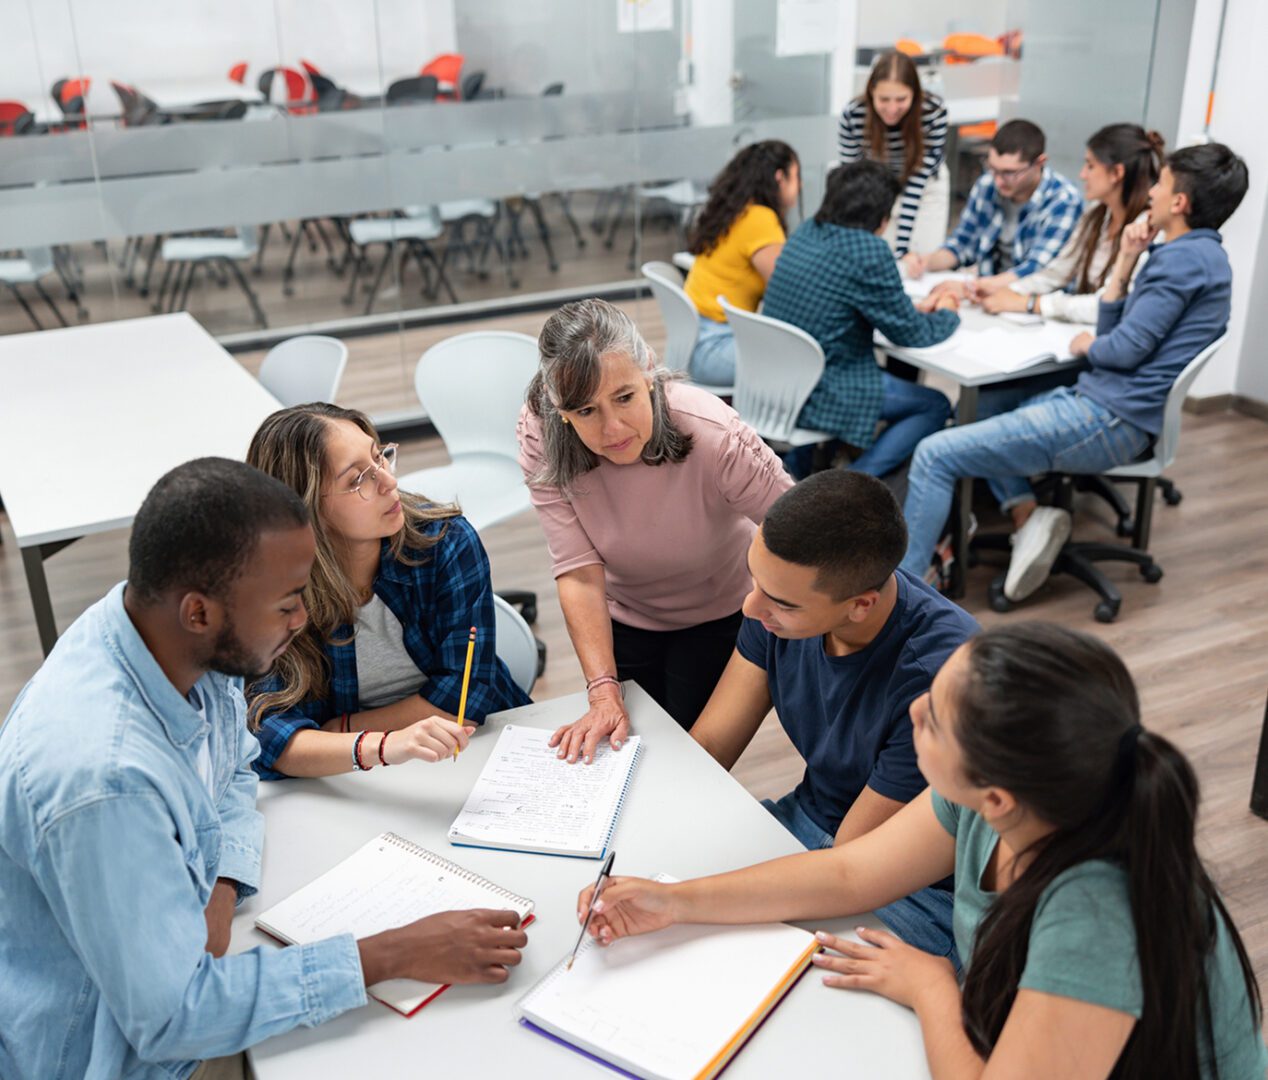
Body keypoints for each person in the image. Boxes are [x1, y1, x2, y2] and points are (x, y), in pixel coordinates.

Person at [0, 459, 528, 1080]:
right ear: (200, 612)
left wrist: (222, 886)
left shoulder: (165, 635)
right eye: (285, 604)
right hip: (122, 1059)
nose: (303, 619)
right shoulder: (104, 781)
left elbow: (235, 770)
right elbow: (174, 1019)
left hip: (196, 980)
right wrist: (391, 953)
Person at [577, 623, 1268, 1079]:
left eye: (932, 717)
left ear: (996, 796)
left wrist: (935, 986)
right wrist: (674, 899)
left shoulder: (1094, 917)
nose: (911, 714)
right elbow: (850, 873)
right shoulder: (1003, 799)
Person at [900, 142, 1249, 602]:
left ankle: (900, 602)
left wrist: (1095, 344)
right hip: (1111, 405)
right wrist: (1125, 261)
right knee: (979, 408)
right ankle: (1027, 516)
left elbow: (1120, 349)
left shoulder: (1180, 262)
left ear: (1180, 202)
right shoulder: (1202, 256)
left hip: (1110, 418)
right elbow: (1120, 334)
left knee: (933, 453)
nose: (1152, 194)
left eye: (1161, 185)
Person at [690, 471, 977, 962]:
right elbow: (712, 744)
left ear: (860, 606)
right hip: (812, 824)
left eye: (780, 601)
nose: (751, 606)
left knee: (747, 956)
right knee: (682, 889)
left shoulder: (938, 679)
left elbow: (851, 864)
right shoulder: (776, 606)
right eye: (754, 579)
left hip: (909, 886)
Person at [517, 298, 793, 754]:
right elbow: (578, 569)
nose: (612, 428)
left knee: (686, 759)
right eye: (585, 411)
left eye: (624, 397)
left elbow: (799, 529)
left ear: (649, 371)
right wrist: (602, 688)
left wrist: (769, 608)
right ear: (558, 407)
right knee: (623, 752)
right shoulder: (541, 431)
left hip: (718, 613)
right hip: (623, 612)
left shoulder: (713, 432)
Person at [246, 403, 529, 779]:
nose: (389, 482)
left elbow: (462, 700)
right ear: (305, 508)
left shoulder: (446, 542)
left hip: (475, 753)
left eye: (380, 456)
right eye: (358, 478)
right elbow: (271, 737)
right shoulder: (267, 588)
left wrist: (339, 732)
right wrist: (383, 746)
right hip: (352, 777)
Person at [761, 159, 960, 480]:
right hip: (826, 388)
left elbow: (843, 298)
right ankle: (851, 483)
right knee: (935, 405)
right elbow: (911, 334)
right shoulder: (868, 250)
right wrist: (949, 309)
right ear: (882, 217)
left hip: (781, 381)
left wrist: (907, 308)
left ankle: (804, 475)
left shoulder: (807, 231)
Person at [983, 123, 1164, 321]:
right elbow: (1058, 272)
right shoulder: (1096, 214)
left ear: (1116, 174)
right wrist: (1007, 291)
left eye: (1090, 166)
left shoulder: (1147, 231)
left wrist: (1030, 304)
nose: (1082, 175)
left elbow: (1105, 304)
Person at [905, 119, 1082, 297]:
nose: (998, 180)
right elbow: (962, 244)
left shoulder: (1064, 200)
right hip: (990, 295)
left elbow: (1037, 270)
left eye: (1009, 173)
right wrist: (925, 261)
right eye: (993, 169)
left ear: (1040, 162)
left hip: (1033, 301)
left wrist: (973, 287)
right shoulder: (987, 185)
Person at [682, 140, 801, 386]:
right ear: (780, 178)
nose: (800, 187)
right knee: (806, 360)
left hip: (693, 341)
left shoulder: (734, 211)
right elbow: (788, 290)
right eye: (796, 177)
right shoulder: (761, 219)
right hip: (715, 349)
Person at [838, 50, 950, 258]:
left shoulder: (933, 112)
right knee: (879, 252)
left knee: (922, 256)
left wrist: (903, 249)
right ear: (871, 91)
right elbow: (852, 180)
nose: (892, 108)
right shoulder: (854, 114)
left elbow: (918, 180)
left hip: (924, 186)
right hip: (876, 185)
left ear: (915, 93)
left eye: (901, 99)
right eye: (884, 99)